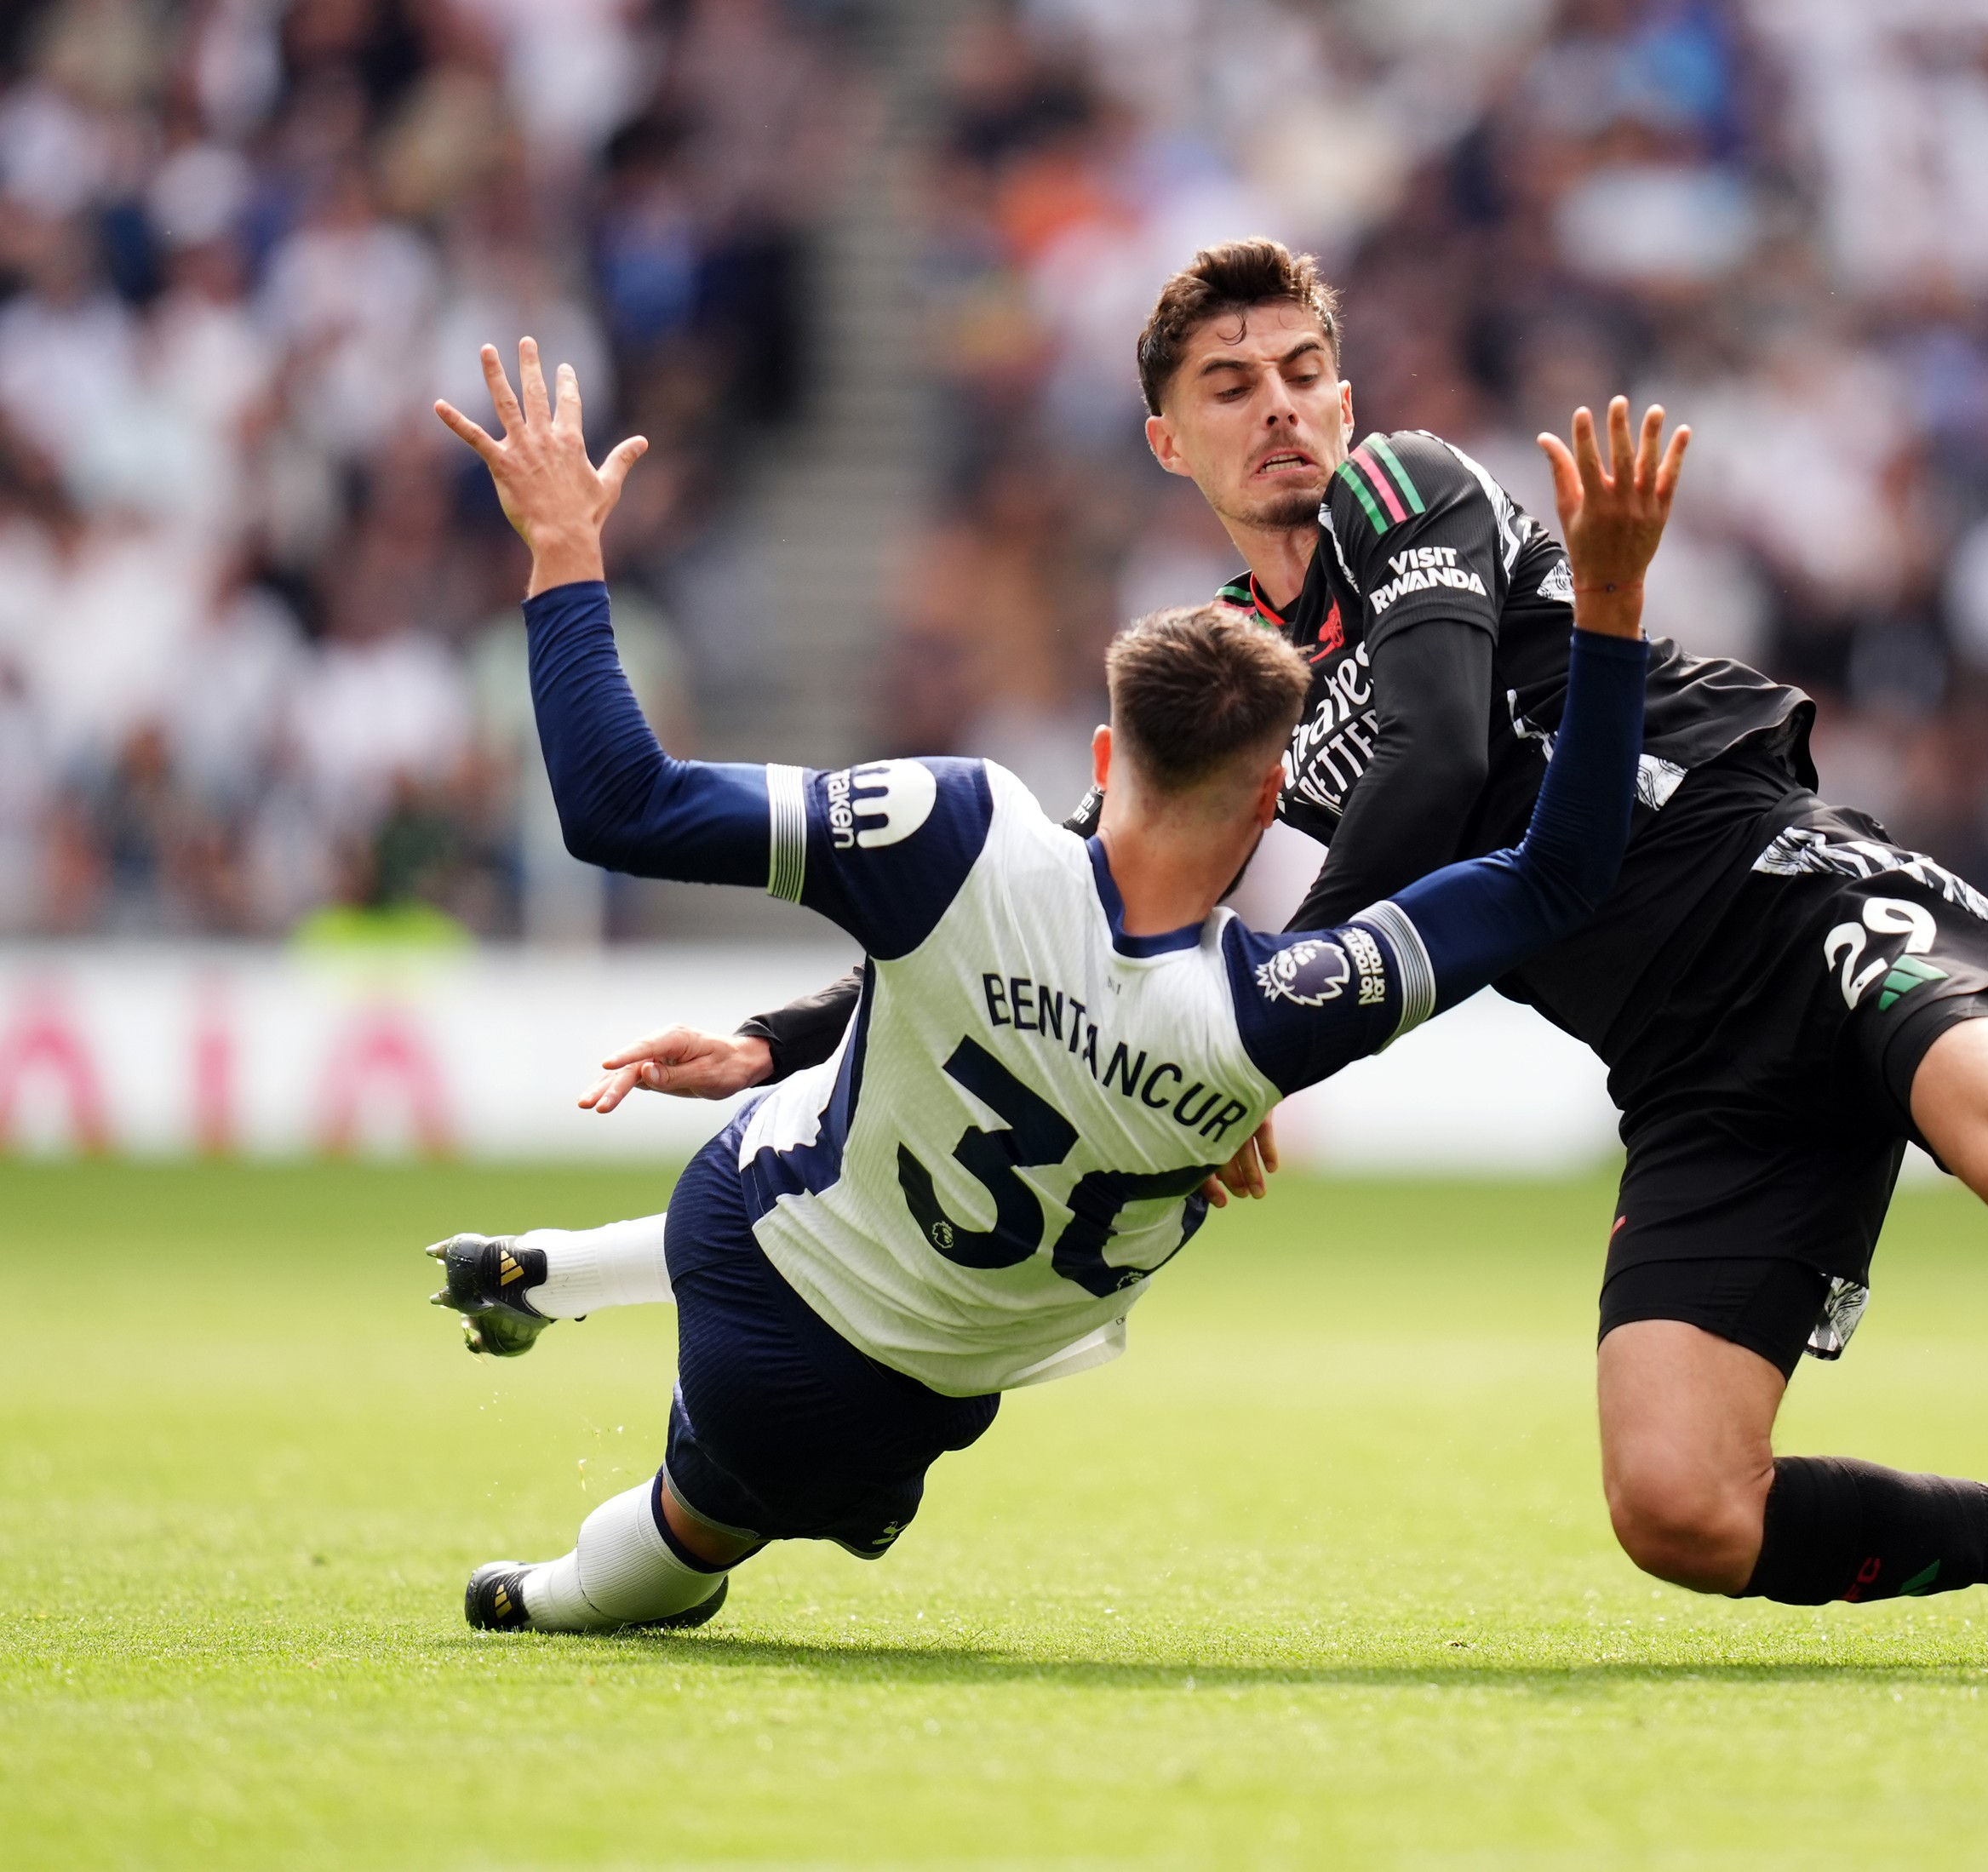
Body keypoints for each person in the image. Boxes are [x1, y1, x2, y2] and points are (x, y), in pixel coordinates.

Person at [502, 236, 1988, 1661]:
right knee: (1679, 1513)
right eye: (1235, 388)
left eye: (1308, 366)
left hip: (1790, 891)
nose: (1288, 410)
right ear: (1165, 442)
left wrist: (1252, 1040)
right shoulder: (1225, 692)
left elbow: (1446, 757)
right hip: (1680, 1065)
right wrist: (801, 1032)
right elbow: (1072, 924)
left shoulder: (1417, 502)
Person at [425, 339, 1675, 1633]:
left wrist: (564, 546)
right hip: (914, 1397)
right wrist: (1612, 604)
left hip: (751, 1239)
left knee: (870, 1100)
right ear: (1269, 800)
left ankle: (557, 1291)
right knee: (712, 1523)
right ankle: (546, 1546)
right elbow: (1560, 872)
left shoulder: (956, 835)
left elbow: (623, 804)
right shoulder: (1268, 1021)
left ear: (1101, 750)